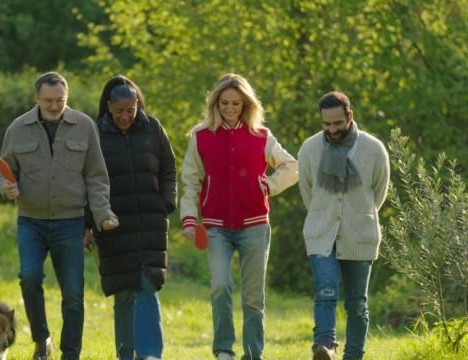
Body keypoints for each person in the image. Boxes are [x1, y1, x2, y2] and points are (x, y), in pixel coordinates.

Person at [0, 71, 118, 360]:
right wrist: (6, 187)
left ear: (67, 97)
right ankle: (41, 340)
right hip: (31, 221)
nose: (53, 106)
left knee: (73, 292)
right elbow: (2, 169)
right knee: (30, 277)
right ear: (37, 99)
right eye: (48, 100)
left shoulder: (84, 126)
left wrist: (102, 215)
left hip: (70, 222)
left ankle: (70, 353)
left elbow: (97, 177)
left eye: (59, 100)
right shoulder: (18, 128)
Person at [180, 73, 298, 360]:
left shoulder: (262, 136)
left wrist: (269, 185)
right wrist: (189, 218)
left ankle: (253, 353)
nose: (230, 109)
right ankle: (223, 350)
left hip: (255, 226)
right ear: (215, 104)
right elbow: (191, 181)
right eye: (224, 103)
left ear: (246, 104)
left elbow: (292, 167)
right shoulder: (201, 136)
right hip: (216, 227)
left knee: (253, 297)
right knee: (220, 285)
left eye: (236, 103)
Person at [85, 75, 177, 360]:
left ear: (138, 105)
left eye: (131, 110)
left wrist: (167, 202)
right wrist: (88, 223)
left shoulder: (153, 129)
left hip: (150, 221)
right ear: (109, 107)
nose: (125, 116)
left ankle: (150, 355)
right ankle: (126, 353)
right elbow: (85, 180)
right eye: (119, 110)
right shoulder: (95, 134)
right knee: (124, 290)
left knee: (148, 284)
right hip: (113, 224)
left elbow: (169, 169)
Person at [298, 91, 390, 360]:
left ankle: (353, 356)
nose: (332, 129)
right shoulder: (310, 149)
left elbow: (379, 193)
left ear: (349, 116)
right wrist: (323, 215)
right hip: (321, 233)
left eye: (337, 123)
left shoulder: (374, 149)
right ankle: (324, 347)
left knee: (357, 304)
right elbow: (307, 192)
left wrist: (358, 216)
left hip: (360, 234)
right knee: (325, 289)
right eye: (326, 124)